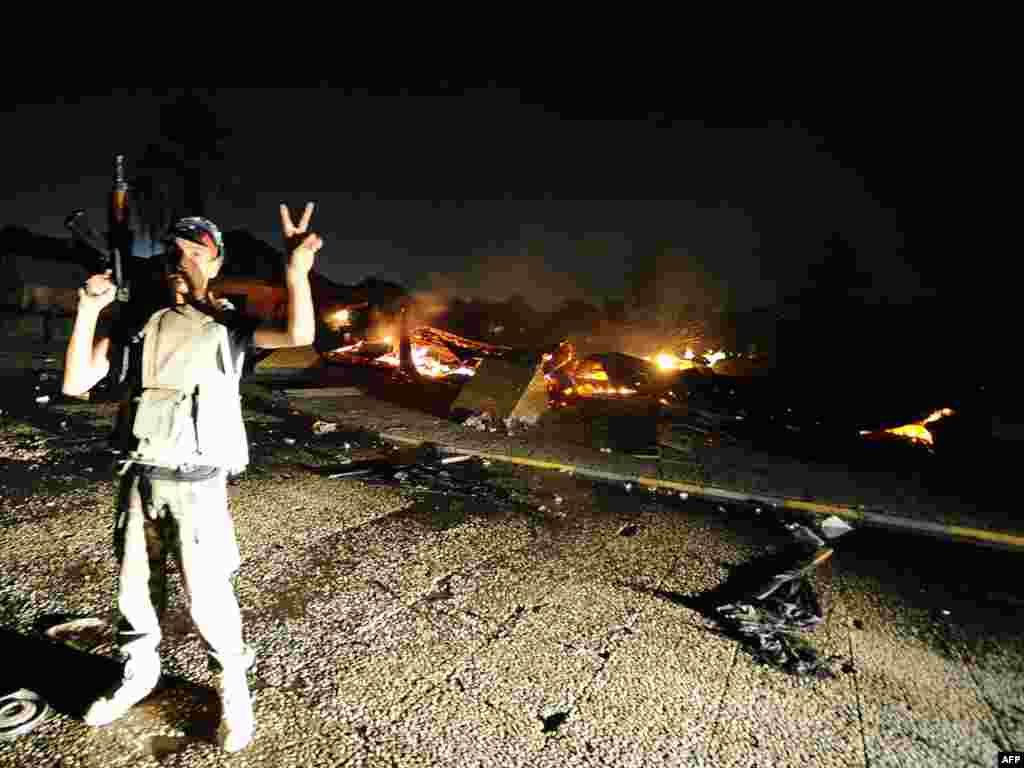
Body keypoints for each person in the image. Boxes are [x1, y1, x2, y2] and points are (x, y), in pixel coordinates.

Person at [62, 203, 322, 753]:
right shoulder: (139, 322)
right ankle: (138, 675)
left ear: (217, 262)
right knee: (135, 593)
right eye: (177, 251)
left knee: (208, 598)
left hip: (199, 482)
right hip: (139, 477)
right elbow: (77, 382)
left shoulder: (228, 326)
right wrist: (88, 311)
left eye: (198, 252)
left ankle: (234, 691)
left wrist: (295, 271)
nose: (184, 260)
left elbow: (300, 334)